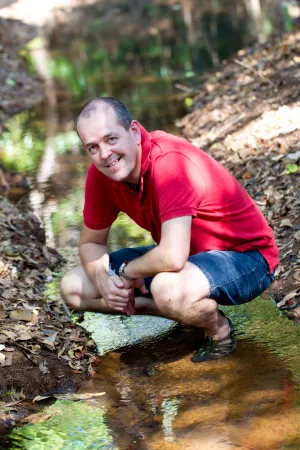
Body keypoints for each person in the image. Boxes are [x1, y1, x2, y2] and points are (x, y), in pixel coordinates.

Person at [60, 97, 279, 362]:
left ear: (134, 131)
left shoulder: (170, 163)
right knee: (74, 286)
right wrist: (103, 281)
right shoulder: (100, 175)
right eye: (93, 147)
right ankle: (185, 314)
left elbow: (172, 256)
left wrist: (126, 273)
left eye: (111, 139)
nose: (104, 154)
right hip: (187, 256)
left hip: (246, 257)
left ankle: (218, 329)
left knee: (167, 288)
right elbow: (90, 243)